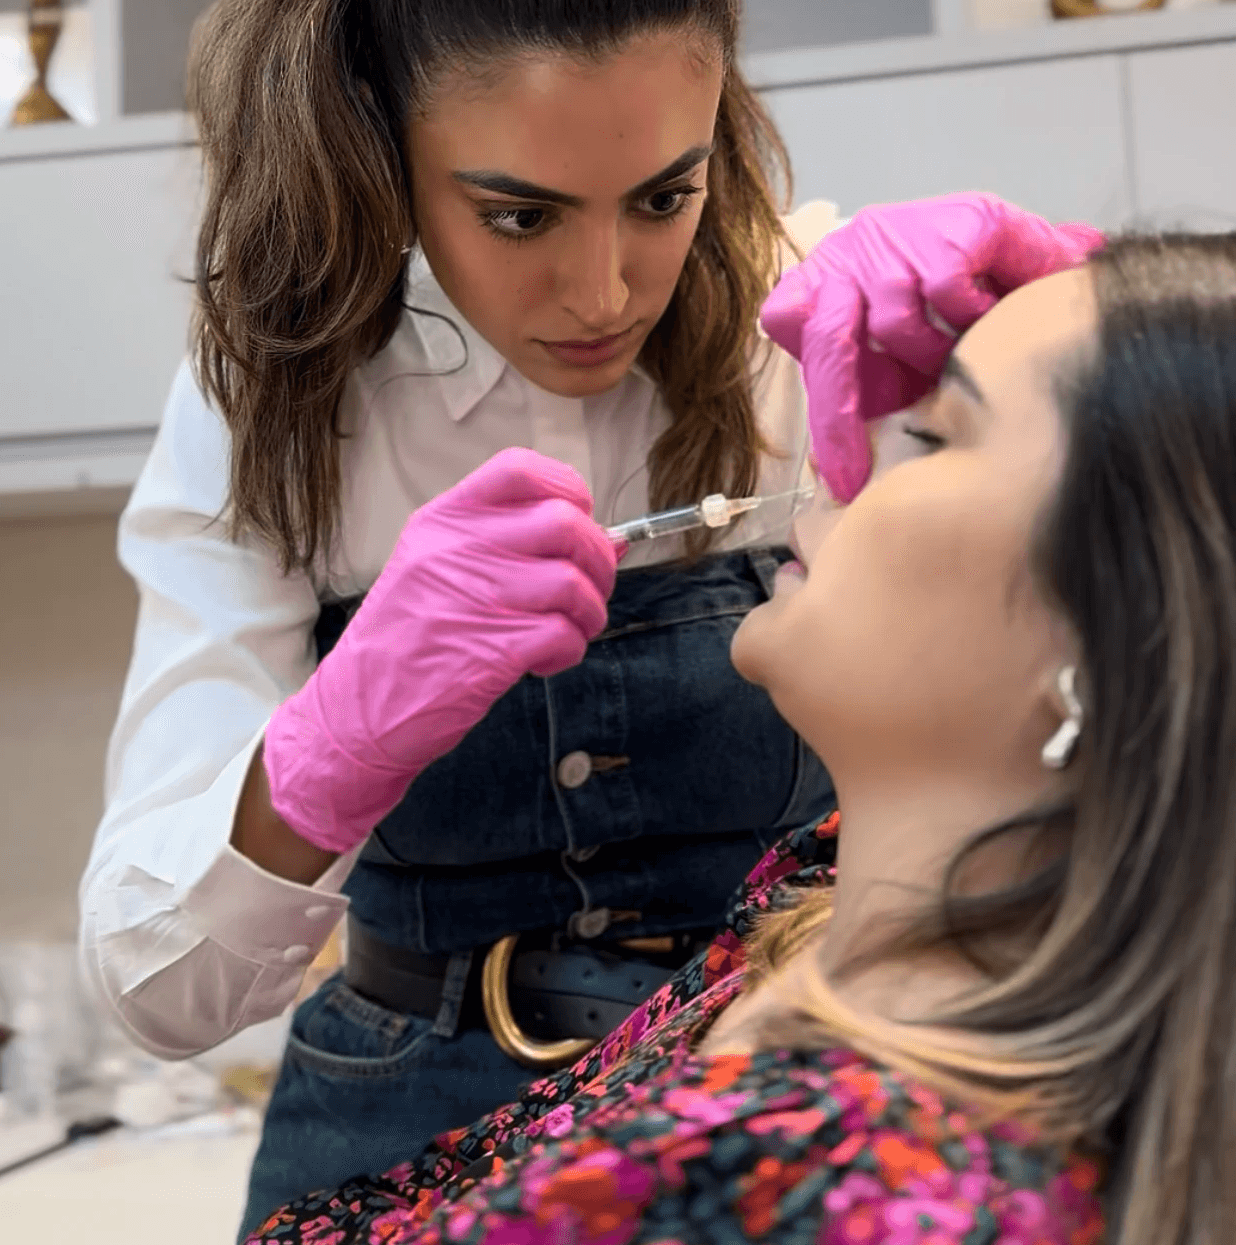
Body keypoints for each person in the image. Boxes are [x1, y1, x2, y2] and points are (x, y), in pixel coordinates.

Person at [78, 0, 1095, 1235]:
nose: (611, 290)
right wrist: (328, 749)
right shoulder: (272, 408)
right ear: (377, 143)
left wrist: (1067, 297)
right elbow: (149, 992)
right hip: (391, 1094)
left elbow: (1156, 558)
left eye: (665, 195)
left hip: (749, 1069)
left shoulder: (816, 334)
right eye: (519, 213)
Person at [249, 232, 1236, 1245]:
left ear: (1126, 644)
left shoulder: (833, 1184)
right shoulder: (818, 893)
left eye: (936, 431)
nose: (839, 450)